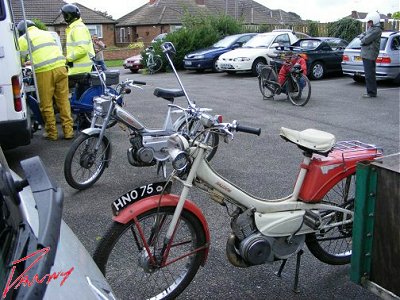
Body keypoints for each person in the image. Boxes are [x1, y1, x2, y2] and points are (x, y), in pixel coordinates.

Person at [17, 20, 74, 141]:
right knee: (63, 101)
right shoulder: (47, 33)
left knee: (46, 103)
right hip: (61, 68)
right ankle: (68, 131)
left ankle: (52, 133)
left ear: (21, 30)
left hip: (44, 71)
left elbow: (19, 60)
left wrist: (25, 62)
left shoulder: (23, 38)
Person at [61, 3, 95, 76]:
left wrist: (67, 59)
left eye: (64, 15)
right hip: (78, 69)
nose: (63, 18)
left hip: (80, 71)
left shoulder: (78, 29)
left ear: (68, 16)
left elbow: (82, 49)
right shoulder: (74, 28)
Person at [359, 11, 382, 98]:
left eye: (369, 22)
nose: (368, 24)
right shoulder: (372, 29)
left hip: (370, 54)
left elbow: (365, 40)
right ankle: (371, 92)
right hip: (367, 54)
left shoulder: (376, 30)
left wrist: (363, 39)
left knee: (369, 74)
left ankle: (371, 92)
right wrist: (363, 38)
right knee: (369, 74)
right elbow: (363, 35)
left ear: (374, 21)